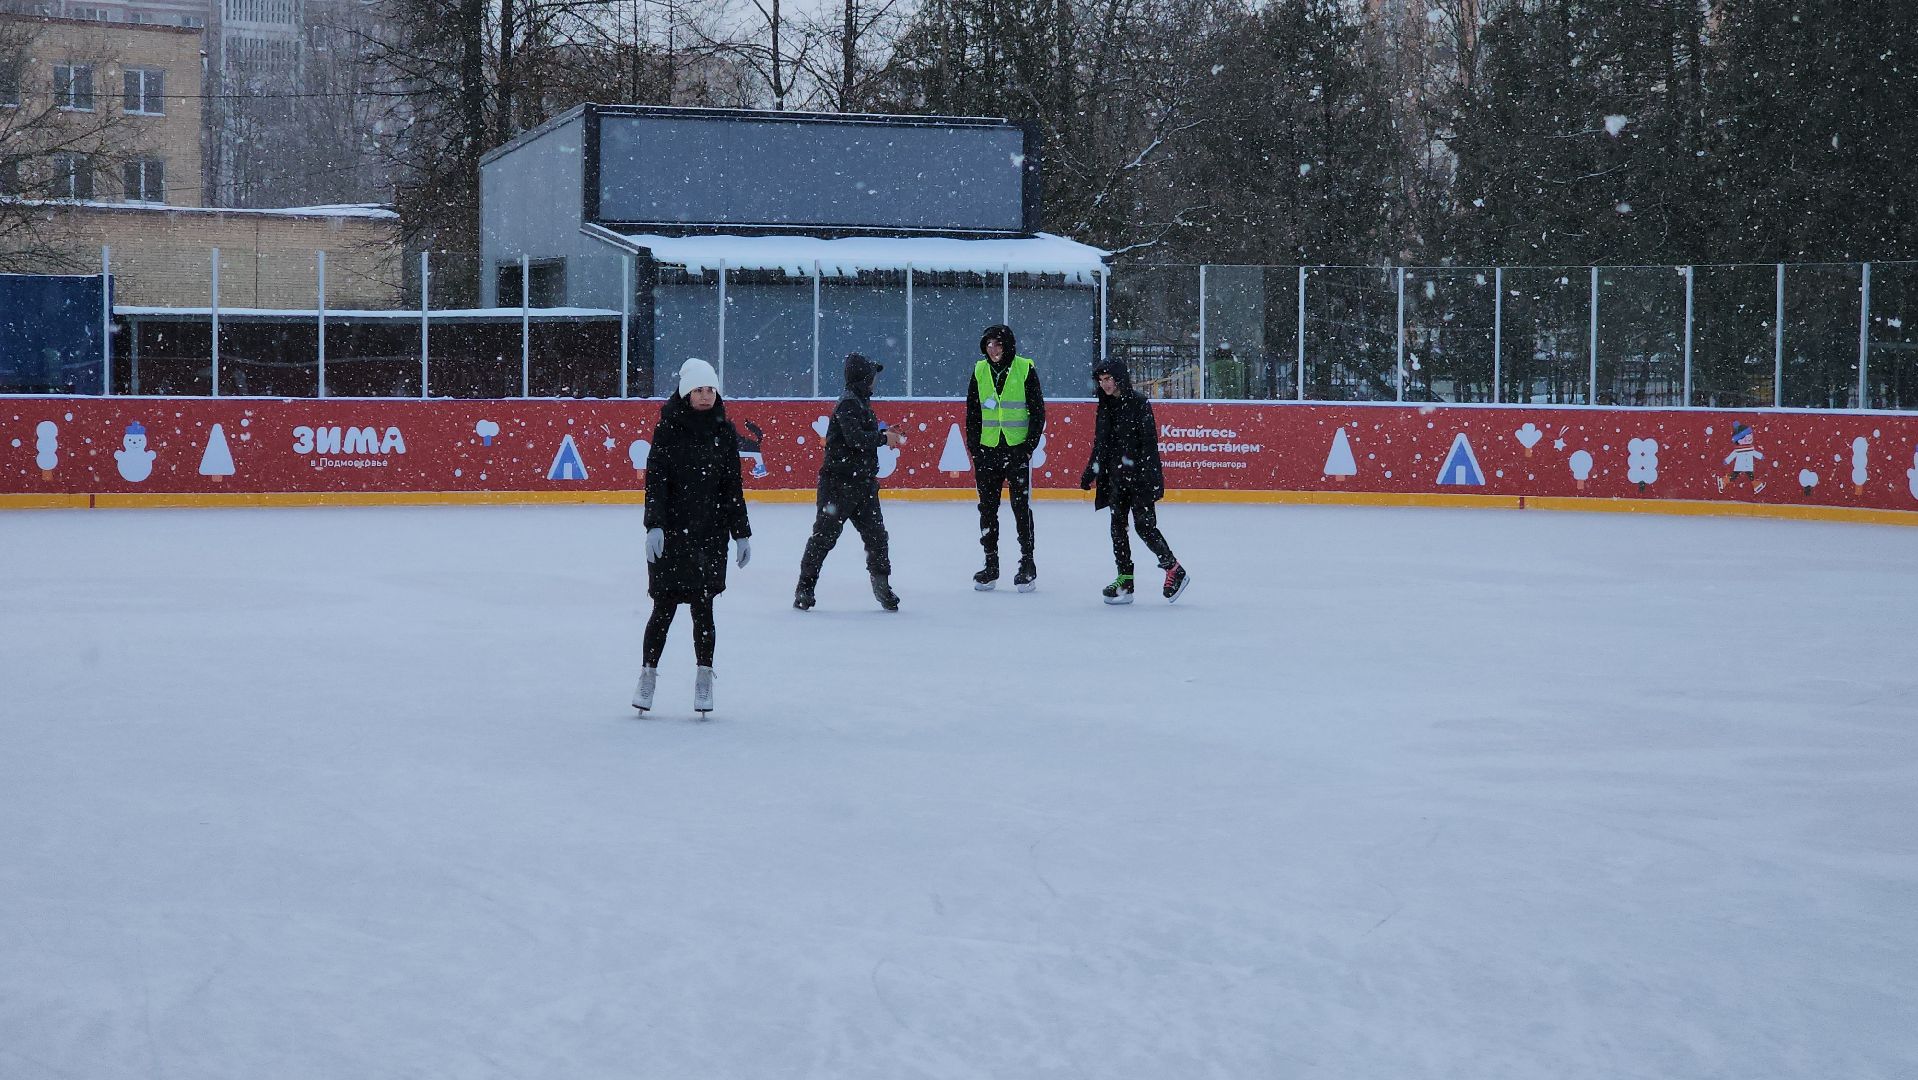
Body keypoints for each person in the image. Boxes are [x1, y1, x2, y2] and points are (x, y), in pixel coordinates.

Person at [632, 357, 752, 717]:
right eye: (699, 389)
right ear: (687, 392)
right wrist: (654, 525)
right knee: (663, 609)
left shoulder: (724, 431)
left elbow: (733, 486)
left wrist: (741, 533)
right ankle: (647, 676)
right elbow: (656, 481)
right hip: (672, 535)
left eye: (711, 389)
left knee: (704, 610)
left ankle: (703, 679)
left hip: (709, 535)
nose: (705, 395)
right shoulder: (668, 429)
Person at [795, 353, 905, 612]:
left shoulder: (860, 402)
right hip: (838, 485)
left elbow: (859, 437)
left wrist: (884, 435)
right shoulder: (848, 404)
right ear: (862, 378)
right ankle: (805, 588)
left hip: (863, 485)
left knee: (877, 537)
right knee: (824, 537)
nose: (874, 382)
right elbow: (855, 438)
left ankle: (882, 587)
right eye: (871, 377)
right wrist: (883, 439)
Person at [1079, 358, 1190, 605]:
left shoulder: (1139, 403)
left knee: (1144, 526)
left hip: (1139, 478)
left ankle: (1174, 569)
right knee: (1117, 527)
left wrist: (1149, 479)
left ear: (1119, 378)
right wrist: (1092, 471)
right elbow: (1101, 443)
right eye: (1101, 380)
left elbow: (1149, 444)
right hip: (1115, 478)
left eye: (1108, 379)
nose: (1105, 384)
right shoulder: (1105, 405)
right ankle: (1125, 580)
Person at [966, 323, 1045, 591]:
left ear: (1008, 345)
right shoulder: (979, 371)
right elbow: (973, 413)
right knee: (987, 509)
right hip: (987, 451)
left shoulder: (1024, 368)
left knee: (1020, 508)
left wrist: (1028, 446)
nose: (993, 349)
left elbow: (1037, 411)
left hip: (1016, 450)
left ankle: (1027, 562)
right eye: (988, 344)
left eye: (998, 344)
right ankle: (991, 564)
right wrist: (975, 449)